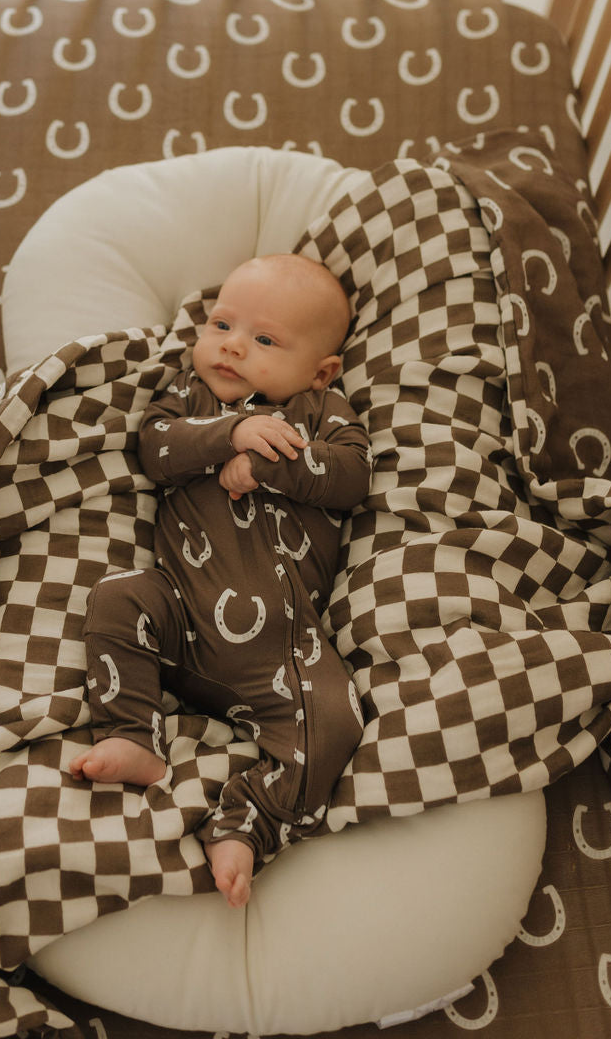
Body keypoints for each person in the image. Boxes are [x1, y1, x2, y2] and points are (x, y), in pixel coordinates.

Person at [70, 253, 371, 908]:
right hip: (181, 620)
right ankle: (129, 732)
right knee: (117, 598)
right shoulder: (192, 398)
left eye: (264, 340)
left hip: (285, 655)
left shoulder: (320, 410)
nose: (232, 344)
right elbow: (155, 447)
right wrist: (232, 432)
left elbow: (352, 477)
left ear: (319, 370)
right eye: (221, 324)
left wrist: (271, 466)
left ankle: (247, 823)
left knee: (337, 722)